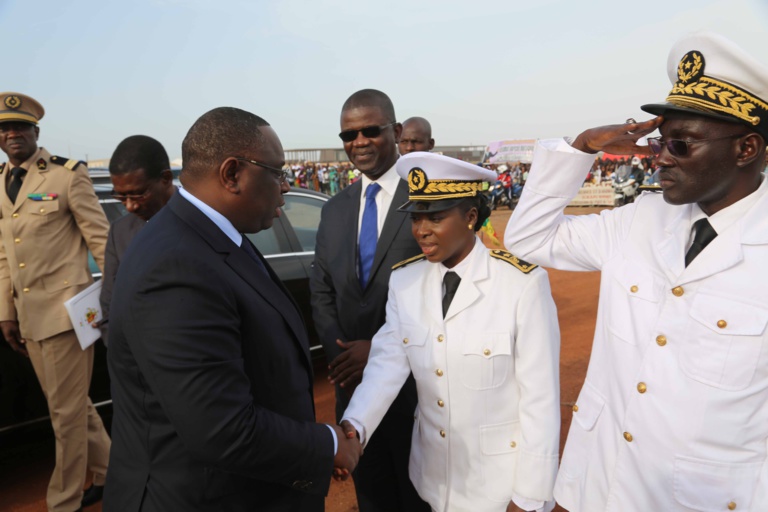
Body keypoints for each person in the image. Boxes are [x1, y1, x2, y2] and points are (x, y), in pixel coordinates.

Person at [505, 32, 768, 511]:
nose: (661, 157)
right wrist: (582, 146)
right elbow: (529, 238)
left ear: (747, 148)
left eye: (681, 143)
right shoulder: (639, 220)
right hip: (602, 486)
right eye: (661, 140)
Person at [104, 107, 361, 511]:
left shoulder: (207, 236)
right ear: (232, 174)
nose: (286, 186)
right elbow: (222, 428)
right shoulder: (176, 264)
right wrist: (327, 445)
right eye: (276, 172)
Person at [342, 152, 561, 512]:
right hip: (432, 477)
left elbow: (541, 398)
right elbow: (386, 365)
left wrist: (531, 495)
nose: (421, 230)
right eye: (416, 218)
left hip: (499, 484)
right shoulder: (405, 280)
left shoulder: (521, 285)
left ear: (471, 217)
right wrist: (354, 428)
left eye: (436, 217)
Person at [310, 89, 428, 512]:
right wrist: (340, 353)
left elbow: (441, 290)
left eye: (369, 131)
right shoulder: (334, 209)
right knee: (373, 496)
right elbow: (321, 289)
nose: (358, 142)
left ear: (395, 132)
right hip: (353, 391)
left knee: (419, 498)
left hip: (419, 390)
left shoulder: (427, 200)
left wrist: (376, 352)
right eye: (348, 134)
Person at [0, 92, 111, 512]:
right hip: (29, 319)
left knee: (65, 420)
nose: (12, 134)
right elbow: (4, 255)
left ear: (36, 132)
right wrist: (5, 312)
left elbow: (100, 241)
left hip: (68, 316)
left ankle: (61, 502)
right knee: (73, 409)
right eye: (4, 129)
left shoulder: (66, 176)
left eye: (20, 127)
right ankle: (112, 470)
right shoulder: (1, 182)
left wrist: (113, 304)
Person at [97, 135, 176, 346]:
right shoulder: (119, 232)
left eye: (139, 194)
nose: (130, 206)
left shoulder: (203, 218)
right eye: (121, 197)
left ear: (166, 178)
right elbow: (110, 303)